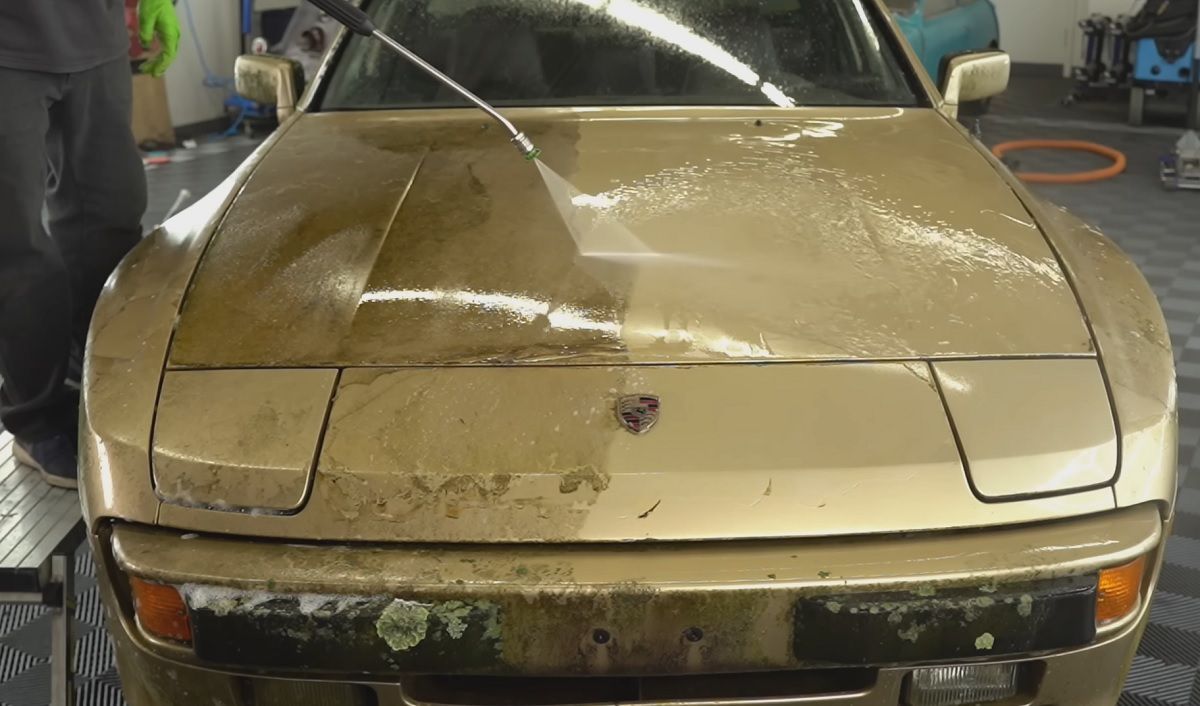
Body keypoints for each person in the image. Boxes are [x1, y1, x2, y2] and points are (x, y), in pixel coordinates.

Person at [0, 0, 180, 488]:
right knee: (15, 246)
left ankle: (96, 381)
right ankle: (36, 419)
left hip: (95, 38)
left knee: (109, 223)